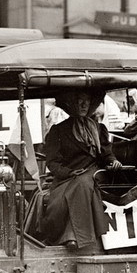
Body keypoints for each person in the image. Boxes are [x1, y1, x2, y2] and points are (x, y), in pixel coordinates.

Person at [42, 90, 122, 253]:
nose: (84, 105)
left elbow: (106, 153)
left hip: (93, 173)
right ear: (71, 104)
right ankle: (64, 236)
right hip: (67, 176)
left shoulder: (99, 129)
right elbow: (52, 162)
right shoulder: (59, 130)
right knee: (65, 196)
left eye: (87, 101)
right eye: (79, 100)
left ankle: (77, 237)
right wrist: (67, 173)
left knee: (83, 185)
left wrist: (113, 161)